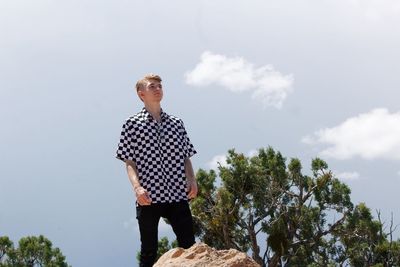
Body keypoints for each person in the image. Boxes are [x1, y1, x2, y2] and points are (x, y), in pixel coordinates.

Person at [115, 74, 198, 267]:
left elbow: (186, 156)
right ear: (141, 94)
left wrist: (192, 180)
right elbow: (129, 162)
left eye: (160, 86)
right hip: (149, 197)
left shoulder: (177, 123)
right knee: (149, 252)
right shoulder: (131, 124)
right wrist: (137, 188)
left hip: (178, 194)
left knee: (190, 247)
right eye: (152, 86)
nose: (158, 88)